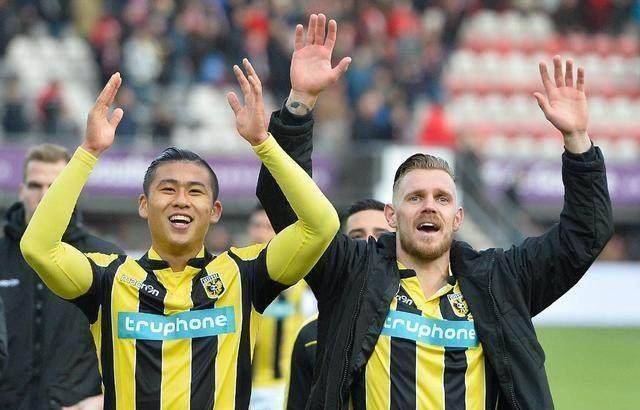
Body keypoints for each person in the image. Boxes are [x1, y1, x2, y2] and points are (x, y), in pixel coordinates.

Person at [257, 15, 613, 409]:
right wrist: (300, 104)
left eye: (442, 198)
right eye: (415, 197)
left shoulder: (500, 282)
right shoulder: (351, 274)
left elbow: (585, 235)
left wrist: (578, 141)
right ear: (391, 216)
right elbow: (289, 206)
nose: (429, 205)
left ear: (457, 218)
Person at [20, 60, 339, 409]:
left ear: (215, 211)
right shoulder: (109, 279)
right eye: (168, 189)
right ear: (144, 205)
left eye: (195, 191)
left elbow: (321, 225)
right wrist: (88, 152)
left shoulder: (243, 275)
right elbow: (38, 247)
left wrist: (263, 142)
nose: (181, 200)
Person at [0, 143, 122, 410]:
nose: (44, 195)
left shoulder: (106, 258)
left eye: (54, 186)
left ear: (70, 190)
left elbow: (131, 348)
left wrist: (103, 400)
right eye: (35, 185)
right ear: (21, 191)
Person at [286, 198, 391, 410]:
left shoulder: (417, 321)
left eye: (381, 235)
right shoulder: (310, 335)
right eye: (357, 236)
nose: (369, 242)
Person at [248, 205, 314, 410]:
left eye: (268, 227)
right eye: (257, 226)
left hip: (281, 390)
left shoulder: (301, 281)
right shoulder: (236, 277)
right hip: (241, 387)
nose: (261, 233)